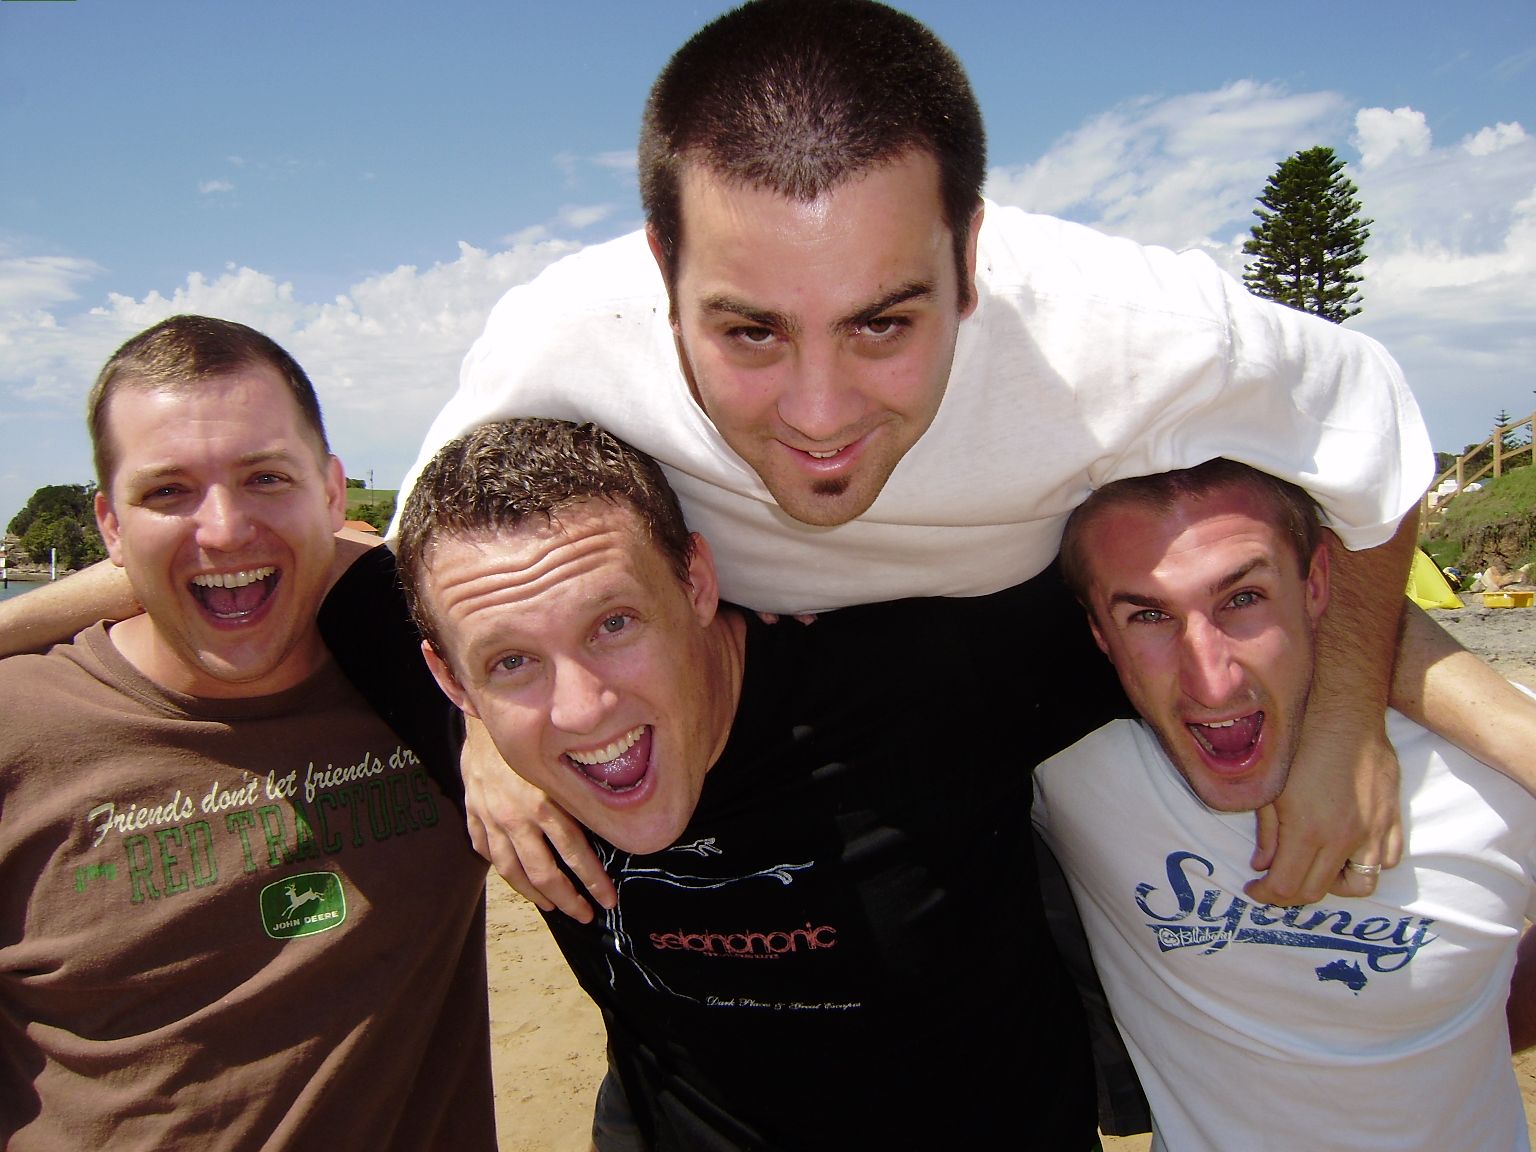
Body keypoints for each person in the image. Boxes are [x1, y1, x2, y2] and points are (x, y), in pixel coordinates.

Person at [3, 0, 1530, 902]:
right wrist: (479, 742)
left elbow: (1366, 450)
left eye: (884, 323)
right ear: (659, 272)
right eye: (745, 332)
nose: (816, 411)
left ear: (971, 260)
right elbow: (378, 558)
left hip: (990, 701)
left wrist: (1339, 731)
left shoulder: (1128, 329)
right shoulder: (554, 344)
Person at [384, 416, 1134, 1150]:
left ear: (698, 583)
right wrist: (479, 744)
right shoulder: (508, 759)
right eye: (511, 662)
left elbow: (1164, 599)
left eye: (614, 623)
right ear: (451, 681)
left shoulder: (924, 684)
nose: (582, 711)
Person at [0, 317, 494, 1150]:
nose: (225, 528)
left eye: (266, 477)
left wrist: (497, 743)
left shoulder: (437, 685)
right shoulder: (21, 729)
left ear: (332, 492)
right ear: (109, 525)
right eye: (167, 492)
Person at [1034, 458, 1536, 1151]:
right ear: (1097, 631)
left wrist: (1463, 1034)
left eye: (1243, 598)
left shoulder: (1488, 770)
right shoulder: (1075, 769)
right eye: (1148, 614)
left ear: (1319, 583)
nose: (1211, 680)